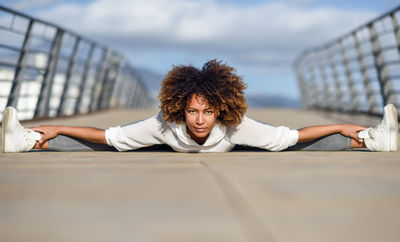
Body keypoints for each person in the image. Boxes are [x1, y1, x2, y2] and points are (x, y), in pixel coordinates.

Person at [1, 59, 398, 153]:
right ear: (180, 108)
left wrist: (343, 128)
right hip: (166, 145)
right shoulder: (165, 124)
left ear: (221, 110)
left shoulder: (236, 126)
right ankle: (26, 139)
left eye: (208, 112)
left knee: (289, 147)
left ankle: (372, 138)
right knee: (108, 147)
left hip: (235, 148)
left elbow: (292, 135)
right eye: (193, 111)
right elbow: (108, 134)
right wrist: (57, 129)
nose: (201, 119)